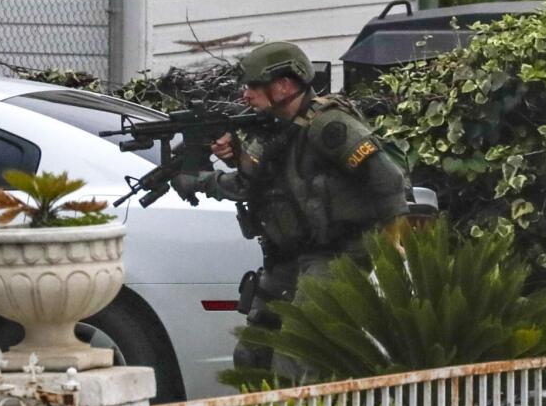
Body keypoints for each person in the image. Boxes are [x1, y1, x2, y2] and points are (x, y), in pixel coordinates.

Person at [170, 41, 410, 374]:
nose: (246, 94)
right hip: (290, 259)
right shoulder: (269, 130)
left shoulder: (330, 126)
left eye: (254, 85)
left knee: (294, 354)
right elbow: (246, 185)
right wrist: (206, 177)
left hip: (338, 255)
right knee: (253, 355)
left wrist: (391, 247)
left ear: (284, 85)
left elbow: (389, 179)